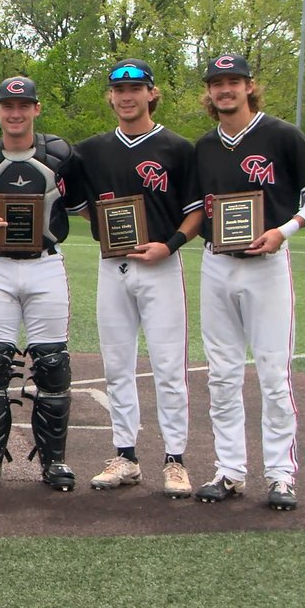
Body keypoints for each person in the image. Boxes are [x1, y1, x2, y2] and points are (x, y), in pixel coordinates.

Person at [193, 54, 305, 511]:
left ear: (249, 86)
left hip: (267, 263)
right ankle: (230, 470)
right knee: (222, 374)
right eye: (217, 83)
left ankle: (280, 476)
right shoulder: (204, 147)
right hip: (217, 262)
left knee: (274, 375)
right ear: (209, 92)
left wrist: (285, 230)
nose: (225, 89)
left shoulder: (281, 134)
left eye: (233, 81)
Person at [61, 59, 203, 498]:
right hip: (113, 267)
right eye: (119, 91)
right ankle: (125, 455)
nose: (127, 97)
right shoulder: (90, 150)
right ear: (110, 96)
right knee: (117, 365)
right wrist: (105, 229)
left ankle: (175, 460)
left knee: (168, 367)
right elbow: (73, 200)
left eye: (136, 89)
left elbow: (197, 210)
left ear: (151, 93)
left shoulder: (178, 148)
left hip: (160, 266)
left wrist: (170, 244)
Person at [0, 76, 76, 491]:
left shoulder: (60, 153)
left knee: (53, 364)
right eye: (7, 106)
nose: (15, 113)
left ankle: (54, 463)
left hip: (46, 265)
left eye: (23, 105)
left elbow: (80, 200)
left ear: (36, 109)